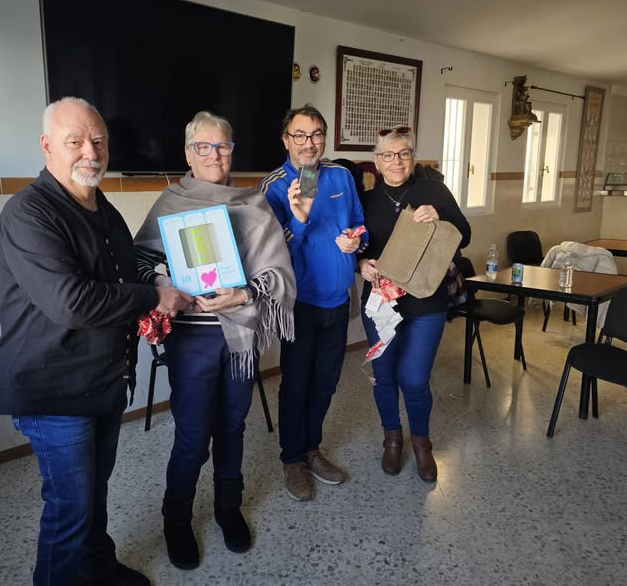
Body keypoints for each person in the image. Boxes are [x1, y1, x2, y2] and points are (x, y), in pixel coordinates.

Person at [0, 96, 192, 586]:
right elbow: (72, 303)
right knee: (69, 509)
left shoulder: (105, 210)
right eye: (74, 141)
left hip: (101, 381)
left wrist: (157, 298)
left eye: (97, 141)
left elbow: (121, 279)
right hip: (53, 387)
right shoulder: (28, 212)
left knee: (93, 493)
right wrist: (154, 295)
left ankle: (98, 569)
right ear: (46, 146)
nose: (89, 152)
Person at [133, 111, 295, 570]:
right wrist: (168, 282)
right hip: (192, 340)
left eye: (222, 146)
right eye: (204, 146)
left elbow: (278, 271)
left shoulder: (253, 202)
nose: (214, 155)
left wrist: (244, 292)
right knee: (191, 435)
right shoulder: (170, 201)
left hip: (240, 336)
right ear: (188, 153)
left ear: (232, 151)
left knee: (232, 426)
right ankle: (176, 519)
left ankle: (228, 509)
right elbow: (140, 262)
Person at [259, 104, 368, 501]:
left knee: (326, 382)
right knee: (296, 384)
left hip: (338, 302)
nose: (310, 143)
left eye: (317, 134)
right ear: (286, 139)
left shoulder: (340, 175)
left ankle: (311, 449)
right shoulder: (273, 186)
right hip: (298, 304)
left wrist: (358, 239)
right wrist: (300, 220)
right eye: (300, 135)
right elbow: (267, 253)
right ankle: (291, 459)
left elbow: (359, 221)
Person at [356, 126, 471, 481]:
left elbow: (464, 234)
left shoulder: (433, 190)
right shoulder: (366, 201)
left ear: (413, 157)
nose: (396, 161)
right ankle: (392, 439)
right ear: (377, 162)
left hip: (426, 301)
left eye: (403, 153)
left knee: (415, 377)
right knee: (385, 375)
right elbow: (355, 245)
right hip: (380, 302)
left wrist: (442, 216)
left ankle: (422, 443)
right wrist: (360, 264)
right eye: (388, 155)